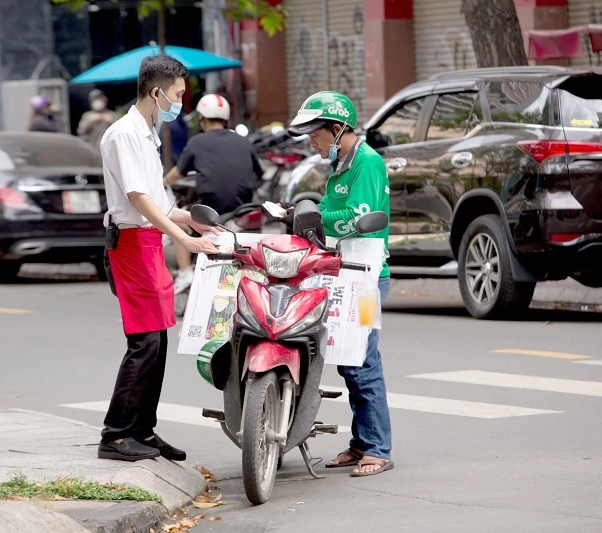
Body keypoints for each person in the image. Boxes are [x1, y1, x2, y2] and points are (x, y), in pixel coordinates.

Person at [98, 54, 220, 462]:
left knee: (157, 341)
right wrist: (182, 237)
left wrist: (196, 223)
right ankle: (116, 435)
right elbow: (137, 199)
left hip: (147, 241)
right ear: (156, 91)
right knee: (144, 342)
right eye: (178, 95)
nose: (181, 103)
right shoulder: (124, 134)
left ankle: (144, 432)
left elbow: (161, 203)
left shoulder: (147, 132)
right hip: (132, 244)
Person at [287, 91, 393, 477]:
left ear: (337, 128)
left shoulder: (367, 163)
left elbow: (360, 214)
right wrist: (301, 212)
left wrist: (316, 217)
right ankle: (361, 441)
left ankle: (379, 447)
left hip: (368, 277)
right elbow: (332, 210)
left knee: (363, 361)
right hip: (344, 271)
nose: (311, 142)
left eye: (315, 135)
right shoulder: (342, 166)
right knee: (348, 363)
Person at [163, 93, 263, 293]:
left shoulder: (197, 142)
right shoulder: (243, 141)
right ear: (225, 118)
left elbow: (178, 172)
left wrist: (161, 182)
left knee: (176, 221)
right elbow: (259, 173)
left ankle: (185, 273)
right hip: (243, 209)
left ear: (202, 119)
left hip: (210, 210)